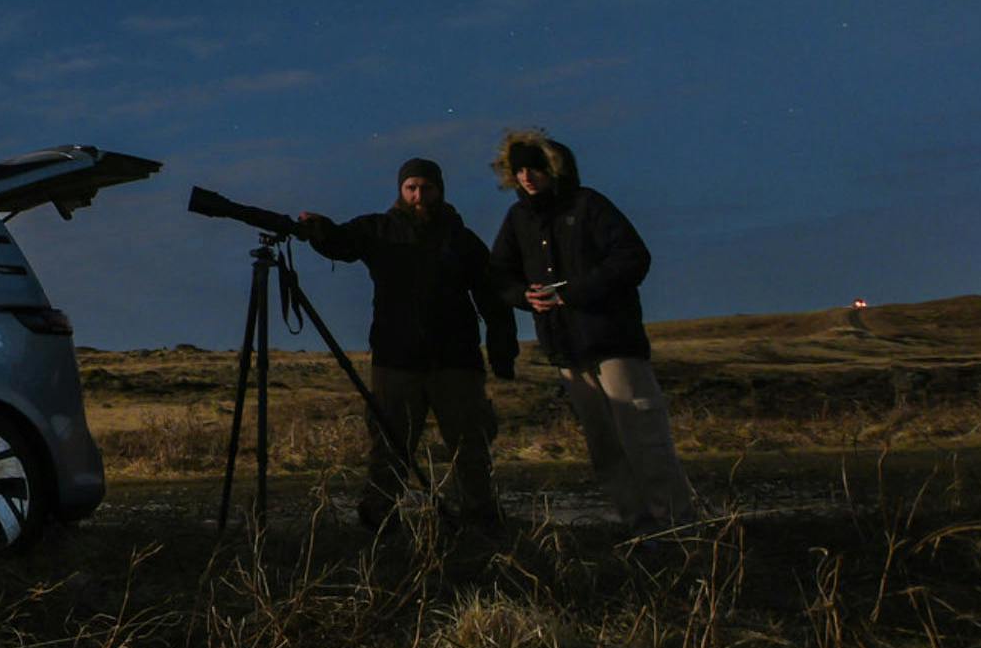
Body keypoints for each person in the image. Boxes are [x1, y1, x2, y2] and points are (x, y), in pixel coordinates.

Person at [488, 129, 694, 532]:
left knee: (643, 438)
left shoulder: (588, 205)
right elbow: (498, 274)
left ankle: (676, 524)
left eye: (535, 168)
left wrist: (574, 293)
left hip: (612, 340)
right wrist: (524, 296)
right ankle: (637, 522)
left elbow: (632, 257)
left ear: (554, 168)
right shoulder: (518, 219)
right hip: (566, 348)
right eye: (520, 170)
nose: (527, 177)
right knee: (604, 446)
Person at [297, 157, 518, 530]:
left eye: (426, 188)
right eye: (411, 188)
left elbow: (492, 297)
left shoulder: (461, 240)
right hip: (396, 359)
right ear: (401, 190)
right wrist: (319, 228)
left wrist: (502, 350)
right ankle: (380, 517)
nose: (419, 195)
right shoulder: (380, 230)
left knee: (470, 444)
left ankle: (480, 517)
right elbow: (342, 242)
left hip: (456, 360)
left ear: (439, 190)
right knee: (389, 444)